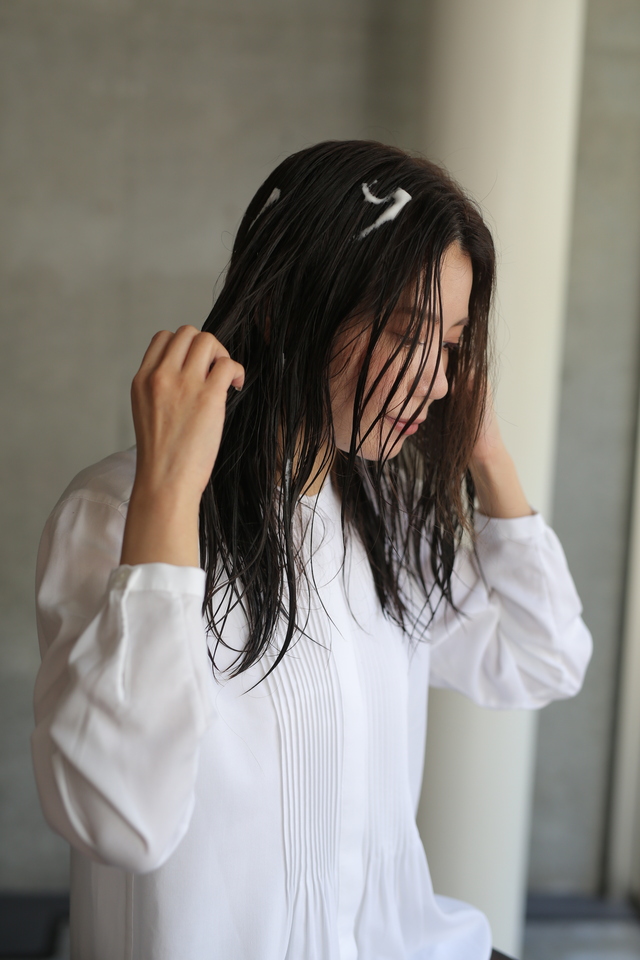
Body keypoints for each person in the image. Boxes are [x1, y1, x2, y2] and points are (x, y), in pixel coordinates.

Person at [31, 140, 592, 960]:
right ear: (287, 309)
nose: (439, 382)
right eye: (409, 335)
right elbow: (119, 820)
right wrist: (168, 496)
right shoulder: (115, 513)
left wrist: (489, 455)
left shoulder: (381, 510)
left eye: (452, 346)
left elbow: (546, 658)